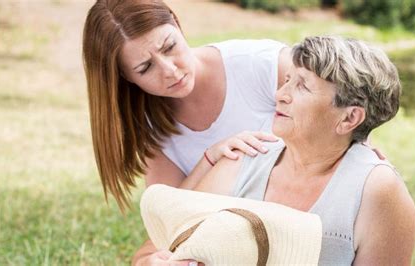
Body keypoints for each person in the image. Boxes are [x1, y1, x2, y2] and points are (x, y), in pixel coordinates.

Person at [82, 0, 290, 265]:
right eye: (146, 68)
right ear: (126, 78)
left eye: (169, 46)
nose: (170, 70)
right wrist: (210, 159)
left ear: (177, 24)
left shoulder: (261, 64)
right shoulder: (150, 128)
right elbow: (169, 220)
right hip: (234, 238)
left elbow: (344, 117)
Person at [188, 36, 415, 265]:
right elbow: (177, 245)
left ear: (349, 118)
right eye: (287, 80)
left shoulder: (378, 191)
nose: (280, 95)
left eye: (302, 86)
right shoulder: (242, 159)